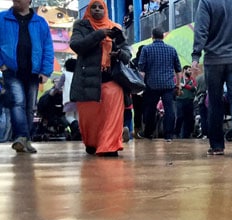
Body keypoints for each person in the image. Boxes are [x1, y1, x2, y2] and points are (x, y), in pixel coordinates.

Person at [192, 0, 232, 157]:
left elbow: (201, 30)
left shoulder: (207, 3)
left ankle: (217, 146)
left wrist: (196, 55)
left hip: (214, 60)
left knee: (214, 102)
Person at [69, 0, 131, 156]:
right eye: (94, 7)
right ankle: (92, 142)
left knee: (113, 115)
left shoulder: (115, 27)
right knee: (89, 117)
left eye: (100, 7)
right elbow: (76, 45)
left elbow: (127, 54)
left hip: (112, 78)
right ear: (89, 10)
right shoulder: (81, 26)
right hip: (87, 80)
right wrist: (99, 34)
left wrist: (120, 54)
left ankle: (110, 146)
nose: (97, 10)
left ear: (106, 10)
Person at [0, 0, 54, 153]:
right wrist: (1, 64)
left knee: (30, 107)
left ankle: (26, 140)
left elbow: (48, 47)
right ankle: (21, 136)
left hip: (33, 72)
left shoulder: (40, 22)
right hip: (11, 70)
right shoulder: (2, 19)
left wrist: (46, 71)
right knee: (18, 102)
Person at [139, 27, 181, 141]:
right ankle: (169, 135)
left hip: (152, 84)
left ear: (152, 36)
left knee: (150, 109)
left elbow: (142, 70)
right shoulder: (172, 50)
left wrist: (140, 86)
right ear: (163, 36)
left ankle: (149, 133)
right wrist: (178, 85)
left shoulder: (146, 50)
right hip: (168, 85)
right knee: (169, 110)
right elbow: (178, 70)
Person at [174, 65, 197, 138]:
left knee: (189, 118)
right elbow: (174, 87)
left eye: (190, 70)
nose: (190, 72)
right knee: (179, 117)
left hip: (189, 100)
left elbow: (194, 88)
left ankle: (188, 134)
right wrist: (178, 87)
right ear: (184, 70)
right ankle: (176, 132)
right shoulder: (178, 79)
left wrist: (184, 86)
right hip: (180, 100)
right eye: (189, 70)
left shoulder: (192, 80)